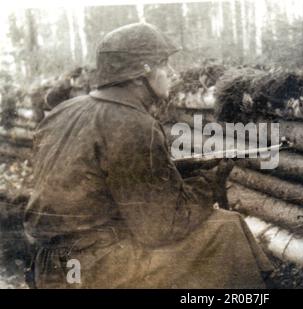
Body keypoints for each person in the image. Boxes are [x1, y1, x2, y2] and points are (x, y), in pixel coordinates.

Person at [24, 23, 273, 289]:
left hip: (50, 267)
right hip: (98, 270)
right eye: (164, 65)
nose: (172, 73)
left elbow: (96, 178)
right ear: (141, 72)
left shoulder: (66, 111)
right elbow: (163, 228)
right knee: (226, 228)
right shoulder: (134, 122)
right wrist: (209, 181)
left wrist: (179, 169)